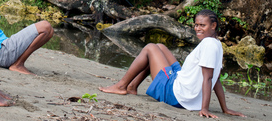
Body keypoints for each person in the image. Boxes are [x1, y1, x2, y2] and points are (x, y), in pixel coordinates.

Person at [98, 9, 245, 118]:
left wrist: (204, 108)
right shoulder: (217, 44)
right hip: (180, 82)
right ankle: (132, 86)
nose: (198, 29)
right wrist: (224, 108)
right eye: (196, 25)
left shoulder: (208, 45)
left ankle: (121, 86)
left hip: (175, 94)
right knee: (160, 47)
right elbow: (216, 79)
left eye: (202, 25)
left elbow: (209, 78)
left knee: (150, 48)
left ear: (213, 26)